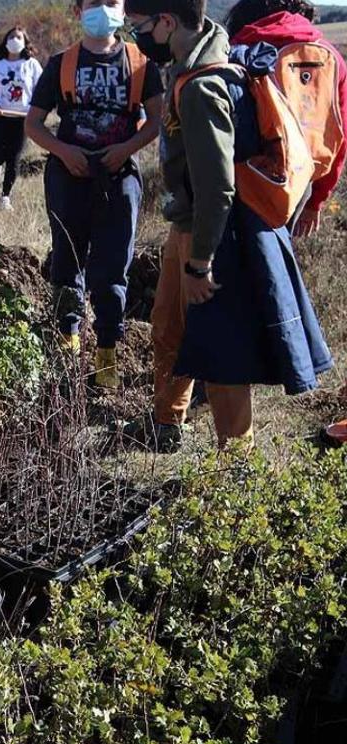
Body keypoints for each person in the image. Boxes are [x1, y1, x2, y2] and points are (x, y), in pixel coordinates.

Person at [121, 0, 333, 450]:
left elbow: (218, 188)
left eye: (137, 26)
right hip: (190, 226)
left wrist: (200, 263)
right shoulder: (201, 58)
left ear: (166, 23)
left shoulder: (202, 86)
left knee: (222, 353)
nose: (133, 35)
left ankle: (237, 464)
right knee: (168, 328)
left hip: (212, 235)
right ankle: (166, 422)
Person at [25, 0, 165, 392]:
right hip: (68, 178)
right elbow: (34, 123)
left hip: (118, 180)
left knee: (112, 269)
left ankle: (106, 352)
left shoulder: (141, 63)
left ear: (123, 9)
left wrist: (127, 148)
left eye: (111, 2)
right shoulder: (61, 63)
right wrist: (63, 151)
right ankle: (67, 345)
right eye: (93, 3)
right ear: (77, 10)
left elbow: (155, 119)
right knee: (67, 263)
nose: (102, 9)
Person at [225, 0, 347, 239]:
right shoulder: (331, 58)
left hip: (245, 177)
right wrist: (316, 200)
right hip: (302, 178)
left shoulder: (240, 50)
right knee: (280, 256)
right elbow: (340, 136)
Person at [0, 26, 44, 210]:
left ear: (25, 42)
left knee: (14, 156)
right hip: (1, 116)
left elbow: (41, 88)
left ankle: (5, 196)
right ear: (5, 40)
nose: (14, 40)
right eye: (11, 36)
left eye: (18, 37)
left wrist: (35, 109)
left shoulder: (32, 65)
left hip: (22, 118)